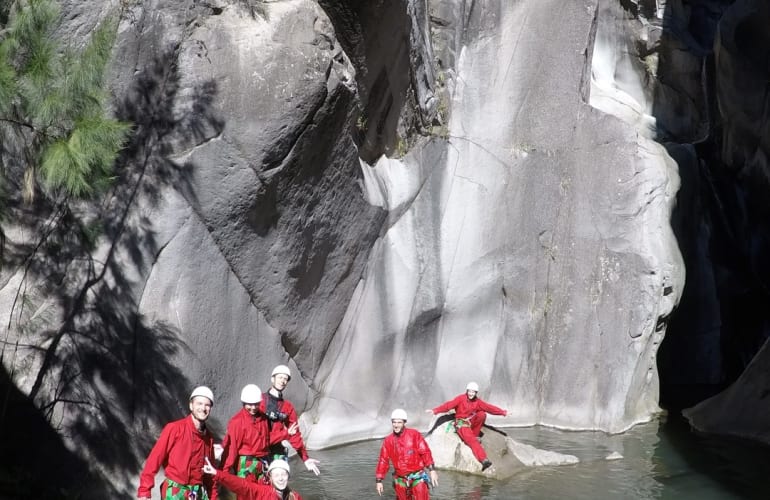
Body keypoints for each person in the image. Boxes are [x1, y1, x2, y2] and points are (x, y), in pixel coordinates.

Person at [137, 386, 218, 500]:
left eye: (207, 405)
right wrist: (144, 490)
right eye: (199, 403)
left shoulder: (209, 438)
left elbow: (210, 476)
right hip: (174, 492)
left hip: (196, 494)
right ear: (191, 406)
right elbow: (154, 459)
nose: (203, 408)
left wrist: (213, 497)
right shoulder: (174, 429)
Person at [220, 384, 297, 490]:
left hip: (262, 463)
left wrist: (286, 433)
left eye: (256, 404)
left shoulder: (263, 418)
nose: (253, 407)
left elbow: (267, 439)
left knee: (266, 493)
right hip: (246, 465)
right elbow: (231, 449)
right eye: (249, 404)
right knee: (246, 494)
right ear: (243, 402)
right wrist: (223, 473)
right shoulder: (237, 422)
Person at [426, 382, 507, 471]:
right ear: (467, 391)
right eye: (469, 391)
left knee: (482, 414)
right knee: (472, 440)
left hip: (470, 421)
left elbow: (489, 408)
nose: (471, 393)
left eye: (473, 392)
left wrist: (503, 412)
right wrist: (435, 411)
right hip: (461, 423)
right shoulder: (460, 398)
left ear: (476, 393)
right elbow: (448, 405)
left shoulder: (477, 402)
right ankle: (484, 460)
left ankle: (475, 434)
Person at [259, 365, 320, 475]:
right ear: (272, 379)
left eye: (285, 379)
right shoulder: (259, 401)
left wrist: (305, 458)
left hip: (276, 451)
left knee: (280, 482)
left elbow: (295, 434)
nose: (282, 381)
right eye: (280, 377)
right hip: (257, 450)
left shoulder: (287, 407)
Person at [375, 409, 438, 499]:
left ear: (404, 422)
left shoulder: (414, 435)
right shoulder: (388, 440)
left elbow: (425, 452)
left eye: (399, 422)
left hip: (417, 478)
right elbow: (383, 460)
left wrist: (432, 470)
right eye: (394, 422)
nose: (396, 425)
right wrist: (379, 480)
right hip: (400, 479)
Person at [204, 457, 303, 500]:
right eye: (276, 475)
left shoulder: (295, 497)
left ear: (288, 476)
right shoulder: (262, 492)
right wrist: (217, 473)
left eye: (284, 474)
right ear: (270, 478)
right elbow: (242, 485)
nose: (280, 479)